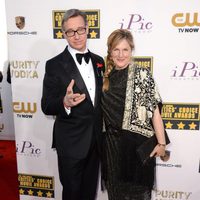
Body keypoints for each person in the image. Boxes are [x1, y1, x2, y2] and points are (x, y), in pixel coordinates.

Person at [41, 9, 105, 200]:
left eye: (80, 30)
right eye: (71, 31)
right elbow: (46, 105)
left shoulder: (99, 61)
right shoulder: (54, 64)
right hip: (70, 143)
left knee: (89, 193)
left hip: (95, 143)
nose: (76, 36)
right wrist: (64, 102)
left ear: (88, 29)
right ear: (64, 34)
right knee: (72, 194)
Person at [101, 29, 167, 200]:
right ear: (110, 52)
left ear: (131, 51)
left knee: (137, 194)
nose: (121, 54)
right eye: (116, 50)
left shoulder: (142, 74)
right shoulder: (103, 77)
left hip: (137, 147)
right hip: (111, 148)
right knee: (115, 195)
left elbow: (155, 113)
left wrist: (161, 143)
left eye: (125, 50)